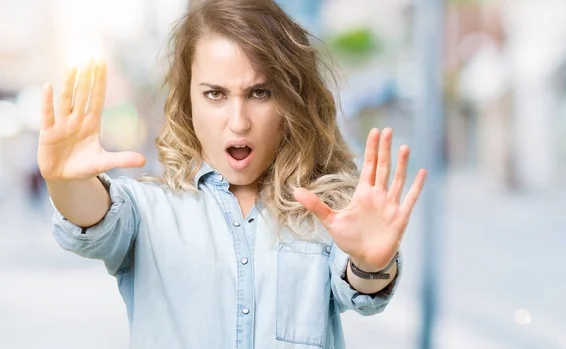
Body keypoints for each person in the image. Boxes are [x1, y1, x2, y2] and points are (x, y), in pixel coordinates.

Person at [37, 0, 426, 348]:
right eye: (215, 94)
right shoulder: (147, 210)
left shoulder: (325, 213)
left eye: (260, 93)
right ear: (188, 101)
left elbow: (361, 285)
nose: (238, 122)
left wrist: (372, 264)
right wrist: (65, 181)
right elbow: (92, 215)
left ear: (290, 99)